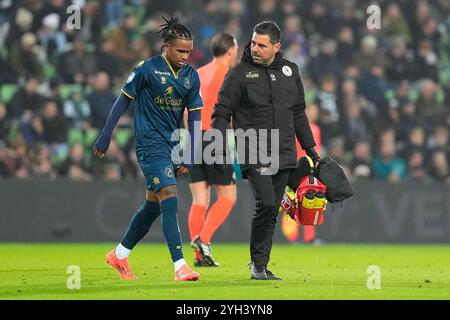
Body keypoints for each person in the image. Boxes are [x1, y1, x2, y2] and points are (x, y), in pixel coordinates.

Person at [93, 17, 202, 281]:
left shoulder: (190, 76)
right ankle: (180, 266)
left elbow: (196, 116)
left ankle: (119, 255)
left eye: (188, 51)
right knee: (169, 195)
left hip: (173, 145)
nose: (185, 56)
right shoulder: (146, 69)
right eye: (180, 51)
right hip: (149, 143)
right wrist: (106, 136)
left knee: (153, 207)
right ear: (166, 47)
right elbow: (121, 103)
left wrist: (192, 151)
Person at [211, 21, 318, 280]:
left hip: (284, 151)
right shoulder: (239, 73)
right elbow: (221, 113)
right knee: (267, 202)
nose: (255, 48)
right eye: (253, 43)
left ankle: (260, 266)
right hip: (254, 149)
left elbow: (298, 114)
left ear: (276, 47)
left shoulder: (290, 71)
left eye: (262, 45)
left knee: (272, 209)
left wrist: (310, 149)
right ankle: (257, 265)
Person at [187, 33, 239, 267]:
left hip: (192, 138)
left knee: (200, 199)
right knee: (228, 196)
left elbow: (188, 110)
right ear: (230, 50)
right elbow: (231, 110)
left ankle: (200, 256)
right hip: (213, 138)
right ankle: (203, 240)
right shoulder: (226, 74)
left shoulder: (198, 73)